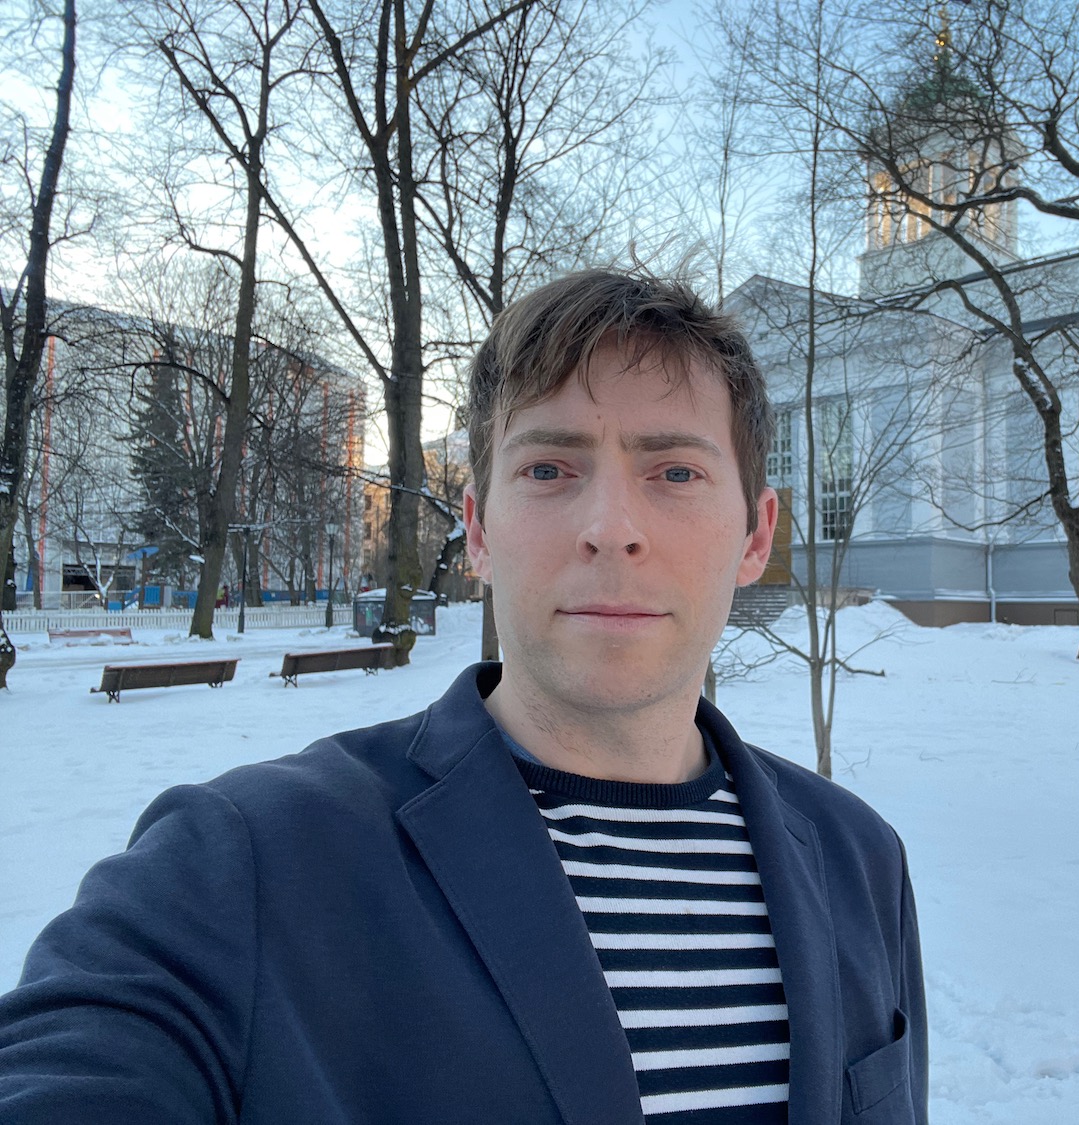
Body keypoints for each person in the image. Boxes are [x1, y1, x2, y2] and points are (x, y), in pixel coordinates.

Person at [0, 269, 927, 1124]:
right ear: (479, 530)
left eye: (675, 471)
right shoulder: (245, 861)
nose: (612, 528)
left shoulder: (859, 859)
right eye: (550, 469)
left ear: (757, 533)